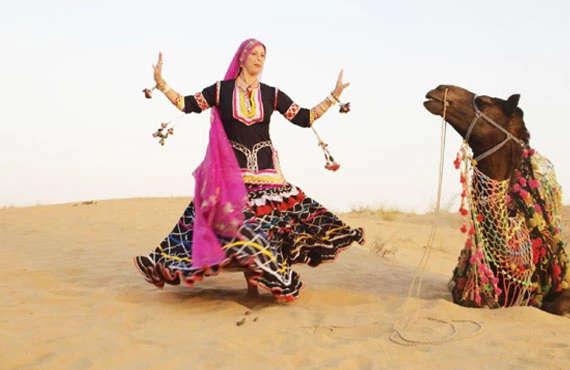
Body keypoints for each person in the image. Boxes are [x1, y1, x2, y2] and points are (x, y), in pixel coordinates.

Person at [134, 38, 364, 301]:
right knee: (229, 228)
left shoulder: (272, 94)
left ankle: (260, 284)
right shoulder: (221, 90)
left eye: (263, 55)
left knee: (267, 230)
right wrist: (161, 84)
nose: (259, 58)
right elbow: (186, 104)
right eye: (254, 53)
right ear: (241, 58)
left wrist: (333, 96)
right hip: (231, 177)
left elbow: (305, 118)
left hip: (268, 176)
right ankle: (252, 281)